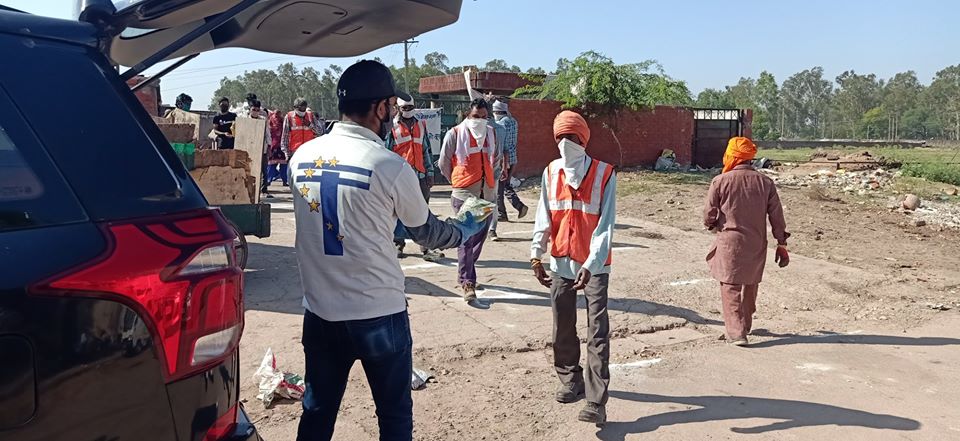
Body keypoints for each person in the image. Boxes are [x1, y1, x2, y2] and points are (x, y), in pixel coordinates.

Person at [290, 60, 484, 441]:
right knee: (393, 419)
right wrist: (463, 229)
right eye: (392, 107)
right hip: (378, 314)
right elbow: (427, 233)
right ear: (381, 108)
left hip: (320, 313)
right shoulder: (389, 165)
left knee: (316, 414)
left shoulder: (302, 157)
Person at [531, 110, 616, 426]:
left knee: (597, 331)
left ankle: (596, 401)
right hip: (560, 262)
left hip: (595, 266)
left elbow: (606, 227)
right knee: (562, 325)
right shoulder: (550, 172)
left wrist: (591, 264)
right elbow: (544, 215)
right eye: (561, 138)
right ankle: (570, 379)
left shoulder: (605, 173)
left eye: (572, 137)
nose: (566, 143)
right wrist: (536, 255)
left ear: (583, 140)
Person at [703, 136, 790, 346]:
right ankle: (746, 325)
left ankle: (737, 333)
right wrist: (781, 243)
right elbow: (776, 216)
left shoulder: (720, 181)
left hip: (729, 242)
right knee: (750, 284)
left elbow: (709, 214)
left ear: (731, 156)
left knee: (730, 285)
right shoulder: (765, 182)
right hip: (756, 242)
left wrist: (712, 225)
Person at [438, 98, 503, 302]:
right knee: (466, 238)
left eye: (484, 117)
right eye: (476, 116)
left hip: (486, 193)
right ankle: (467, 281)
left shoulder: (491, 134)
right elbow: (443, 162)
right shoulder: (455, 134)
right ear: (468, 115)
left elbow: (496, 159)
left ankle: (467, 271)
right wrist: (457, 182)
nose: (480, 120)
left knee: (479, 237)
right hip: (465, 193)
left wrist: (493, 180)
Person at [385, 95, 442, 261]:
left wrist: (430, 173)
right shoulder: (392, 127)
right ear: (398, 108)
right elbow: (387, 151)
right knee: (398, 211)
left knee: (423, 212)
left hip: (420, 176)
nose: (408, 111)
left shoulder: (421, 125)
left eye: (411, 108)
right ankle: (398, 243)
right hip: (400, 177)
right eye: (405, 108)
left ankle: (425, 246)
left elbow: (426, 150)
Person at [489, 99, 528, 241]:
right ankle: (518, 206)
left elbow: (501, 145)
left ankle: (504, 212)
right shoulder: (513, 121)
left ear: (497, 112)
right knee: (505, 184)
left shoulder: (500, 124)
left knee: (499, 188)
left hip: (503, 160)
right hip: (513, 158)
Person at [266, 108, 288, 187]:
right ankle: (269, 180)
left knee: (283, 165)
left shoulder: (283, 121)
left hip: (281, 145)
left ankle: (284, 180)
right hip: (274, 145)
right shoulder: (271, 121)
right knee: (272, 165)